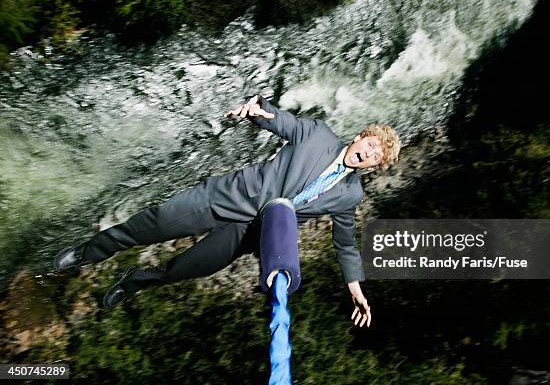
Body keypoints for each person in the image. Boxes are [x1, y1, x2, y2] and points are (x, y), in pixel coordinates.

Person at [53, 94, 400, 327]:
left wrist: (355, 289)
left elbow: (345, 243)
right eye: (369, 145)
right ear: (358, 136)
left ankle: (133, 282)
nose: (368, 154)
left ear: (373, 167)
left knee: (184, 268)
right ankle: (88, 253)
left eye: (375, 157)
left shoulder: (350, 194)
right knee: (151, 224)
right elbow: (283, 121)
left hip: (248, 235)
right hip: (228, 197)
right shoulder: (318, 135)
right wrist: (258, 110)